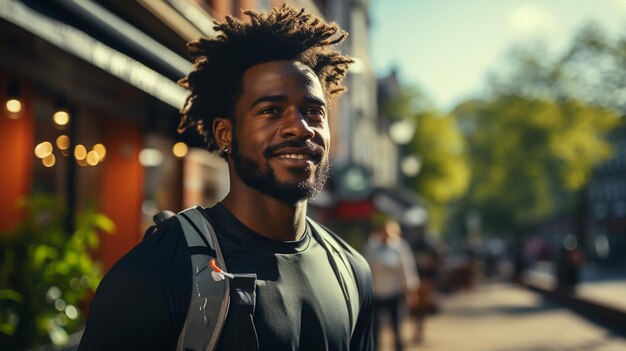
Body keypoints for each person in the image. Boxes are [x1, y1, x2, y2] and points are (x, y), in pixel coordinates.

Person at [78, 5, 373, 351]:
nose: (300, 127)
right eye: (270, 110)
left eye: (313, 112)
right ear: (225, 134)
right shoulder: (159, 272)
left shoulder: (352, 272)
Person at [364, 216, 419, 351]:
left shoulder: (400, 246)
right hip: (376, 293)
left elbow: (407, 269)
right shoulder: (372, 246)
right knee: (375, 328)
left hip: (395, 292)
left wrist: (410, 290)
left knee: (397, 327)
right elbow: (366, 268)